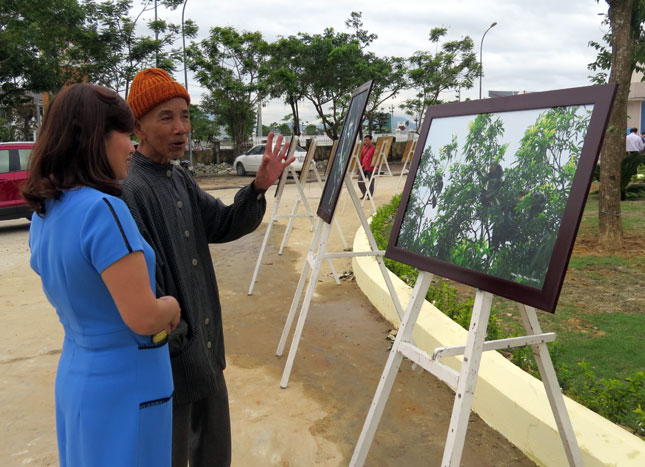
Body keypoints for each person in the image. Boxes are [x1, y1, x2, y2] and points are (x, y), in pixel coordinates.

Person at [121, 68, 293, 467]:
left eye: (184, 115)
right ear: (137, 126)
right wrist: (182, 343)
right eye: (166, 117)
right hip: (173, 363)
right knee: (175, 454)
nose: (181, 127)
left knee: (214, 453)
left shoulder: (178, 178)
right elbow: (148, 286)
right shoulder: (132, 190)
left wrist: (258, 188)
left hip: (207, 349)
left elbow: (224, 223)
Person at [23, 83, 181, 466]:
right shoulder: (104, 210)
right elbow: (143, 317)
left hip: (78, 376)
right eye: (125, 134)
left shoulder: (46, 213)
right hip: (129, 383)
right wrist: (172, 306)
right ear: (97, 138)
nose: (131, 146)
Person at [358, 134, 376, 199]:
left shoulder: (374, 148)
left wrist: (376, 167)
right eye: (365, 140)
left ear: (371, 140)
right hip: (363, 166)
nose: (366, 142)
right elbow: (361, 157)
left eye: (367, 140)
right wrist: (359, 166)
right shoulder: (364, 148)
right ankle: (365, 193)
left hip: (371, 167)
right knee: (360, 181)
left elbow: (376, 158)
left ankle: (370, 195)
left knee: (371, 181)